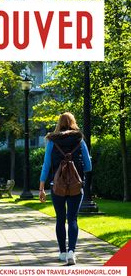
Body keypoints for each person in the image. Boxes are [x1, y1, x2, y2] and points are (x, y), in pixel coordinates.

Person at [39, 112, 92, 265]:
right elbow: (88, 166)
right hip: (76, 186)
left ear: (59, 123)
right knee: (73, 219)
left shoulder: (52, 141)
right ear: (73, 122)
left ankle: (62, 252)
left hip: (57, 187)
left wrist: (41, 188)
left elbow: (46, 165)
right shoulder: (79, 140)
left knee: (60, 219)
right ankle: (71, 252)